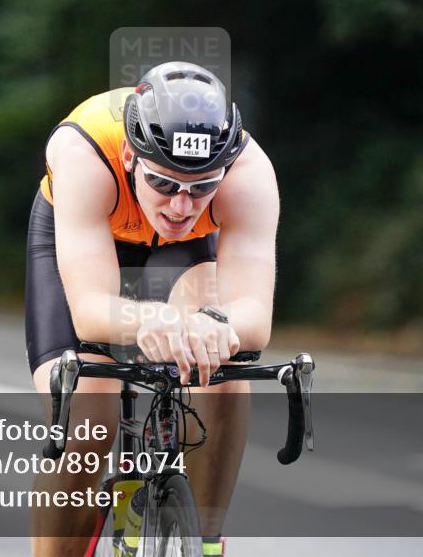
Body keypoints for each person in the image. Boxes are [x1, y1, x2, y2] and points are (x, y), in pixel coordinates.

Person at [25, 61, 279, 556]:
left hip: (181, 254)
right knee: (87, 417)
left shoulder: (249, 173)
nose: (181, 206)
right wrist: (149, 317)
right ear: (129, 156)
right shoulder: (84, 151)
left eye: (202, 187)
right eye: (165, 183)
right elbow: (90, 309)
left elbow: (255, 316)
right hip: (90, 243)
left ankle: (203, 543)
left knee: (224, 371)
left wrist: (217, 326)